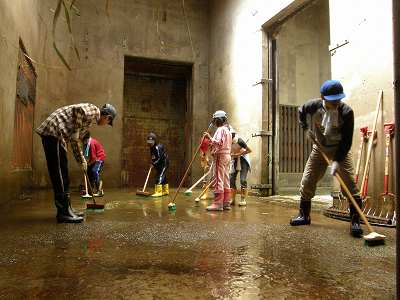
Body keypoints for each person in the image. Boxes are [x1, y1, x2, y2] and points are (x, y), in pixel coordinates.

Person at [289, 80, 363, 237]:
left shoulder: (346, 112)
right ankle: (304, 215)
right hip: (320, 148)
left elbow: (347, 141)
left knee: (349, 183)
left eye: (338, 99)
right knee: (308, 179)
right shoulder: (314, 105)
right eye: (332, 99)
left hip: (340, 150)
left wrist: (337, 160)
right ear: (322, 97)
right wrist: (305, 128)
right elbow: (301, 111)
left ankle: (356, 221)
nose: (336, 102)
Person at [36, 103, 116, 223]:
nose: (105, 124)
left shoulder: (88, 122)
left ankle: (67, 209)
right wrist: (76, 132)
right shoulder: (93, 110)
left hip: (59, 135)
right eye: (108, 122)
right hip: (55, 131)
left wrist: (81, 161)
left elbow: (76, 142)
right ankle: (63, 213)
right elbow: (78, 110)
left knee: (63, 172)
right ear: (107, 117)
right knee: (60, 174)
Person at [203, 110, 232, 211]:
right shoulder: (228, 130)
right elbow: (222, 143)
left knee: (219, 178)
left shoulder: (220, 130)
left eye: (215, 120)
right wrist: (212, 143)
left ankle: (218, 203)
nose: (214, 123)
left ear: (218, 120)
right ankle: (226, 202)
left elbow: (219, 142)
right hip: (227, 156)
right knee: (226, 179)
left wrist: (209, 137)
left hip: (220, 156)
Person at [229, 126, 252, 206]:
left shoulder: (239, 140)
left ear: (233, 134)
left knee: (242, 180)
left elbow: (249, 150)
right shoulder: (227, 141)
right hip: (234, 159)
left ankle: (243, 199)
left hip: (243, 160)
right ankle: (232, 199)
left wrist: (239, 154)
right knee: (231, 179)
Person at [83, 132, 106, 197]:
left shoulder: (91, 144)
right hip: (94, 159)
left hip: (99, 158)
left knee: (94, 171)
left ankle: (100, 190)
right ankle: (90, 189)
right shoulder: (87, 143)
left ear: (86, 139)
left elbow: (94, 158)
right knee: (88, 172)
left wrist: (88, 164)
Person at [147, 132, 169, 197]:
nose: (150, 143)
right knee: (163, 177)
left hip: (164, 163)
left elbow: (160, 158)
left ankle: (158, 192)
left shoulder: (157, 147)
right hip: (159, 164)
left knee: (159, 176)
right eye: (149, 142)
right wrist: (153, 163)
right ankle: (165, 191)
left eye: (151, 142)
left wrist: (153, 164)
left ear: (154, 141)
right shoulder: (151, 148)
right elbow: (153, 157)